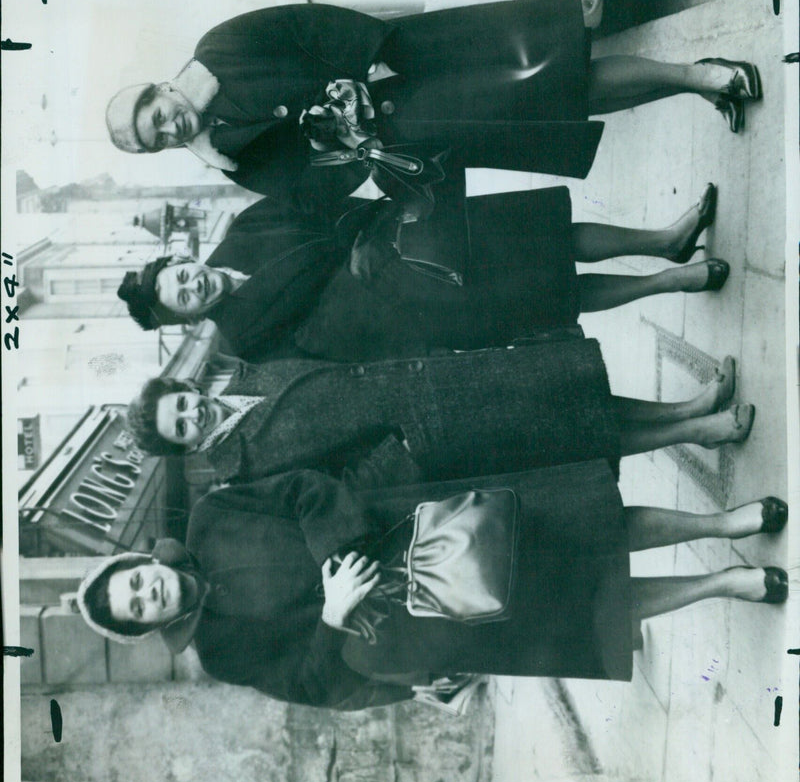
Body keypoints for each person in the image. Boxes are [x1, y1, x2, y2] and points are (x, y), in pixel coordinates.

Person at [76, 466, 788, 710]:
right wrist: (331, 614)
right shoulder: (221, 654)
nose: (150, 593)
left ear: (141, 562)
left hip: (405, 531)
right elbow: (312, 685)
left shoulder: (211, 514)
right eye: (139, 609)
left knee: (586, 525)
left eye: (135, 582)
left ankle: (723, 519)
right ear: (147, 626)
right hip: (414, 622)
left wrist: (338, 551)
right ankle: (723, 582)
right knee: (583, 609)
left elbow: (303, 489)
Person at [104, 0, 762, 207]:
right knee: (560, 115)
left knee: (557, 75)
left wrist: (368, 56)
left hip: (407, 66)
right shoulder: (221, 152)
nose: (169, 128)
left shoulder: (219, 47)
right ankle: (692, 82)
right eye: (156, 139)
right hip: (412, 134)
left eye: (156, 116)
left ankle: (699, 76)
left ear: (161, 89)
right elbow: (309, 185)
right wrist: (349, 154)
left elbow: (305, 25)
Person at [117, 182, 728, 364]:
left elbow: (322, 200)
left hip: (402, 236)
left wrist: (379, 218)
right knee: (551, 294)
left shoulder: (246, 228)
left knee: (545, 234)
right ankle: (666, 281)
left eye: (182, 279)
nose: (194, 289)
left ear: (181, 260)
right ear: (187, 318)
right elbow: (323, 357)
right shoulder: (241, 338)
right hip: (412, 312)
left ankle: (666, 241)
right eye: (184, 302)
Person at [125, 344, 753, 488]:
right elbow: (337, 485)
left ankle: (689, 407)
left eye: (182, 402)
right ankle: (702, 430)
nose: (194, 413)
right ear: (186, 445)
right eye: (183, 425)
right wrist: (402, 449)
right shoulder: (246, 465)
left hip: (437, 378)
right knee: (576, 433)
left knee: (574, 392)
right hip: (437, 436)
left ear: (185, 387)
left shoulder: (251, 374)